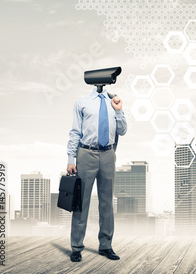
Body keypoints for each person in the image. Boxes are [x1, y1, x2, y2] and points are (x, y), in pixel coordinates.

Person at [66, 87, 127, 262]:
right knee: (81, 202)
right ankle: (76, 247)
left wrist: (119, 111)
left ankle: (106, 246)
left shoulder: (114, 102)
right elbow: (76, 131)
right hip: (86, 153)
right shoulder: (82, 103)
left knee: (107, 203)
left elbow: (122, 131)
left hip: (108, 154)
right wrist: (71, 158)